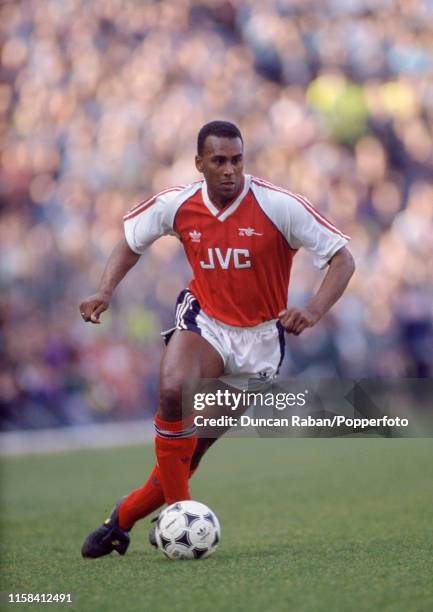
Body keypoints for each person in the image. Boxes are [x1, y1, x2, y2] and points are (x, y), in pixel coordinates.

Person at [79, 120, 355, 558]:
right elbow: (132, 241)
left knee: (188, 455)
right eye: (220, 161)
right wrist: (105, 290)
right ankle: (181, 514)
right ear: (200, 164)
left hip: (260, 342)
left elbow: (342, 258)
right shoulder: (178, 203)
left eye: (237, 160)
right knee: (174, 392)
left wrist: (314, 309)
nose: (230, 170)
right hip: (205, 320)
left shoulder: (278, 205)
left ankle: (122, 518)